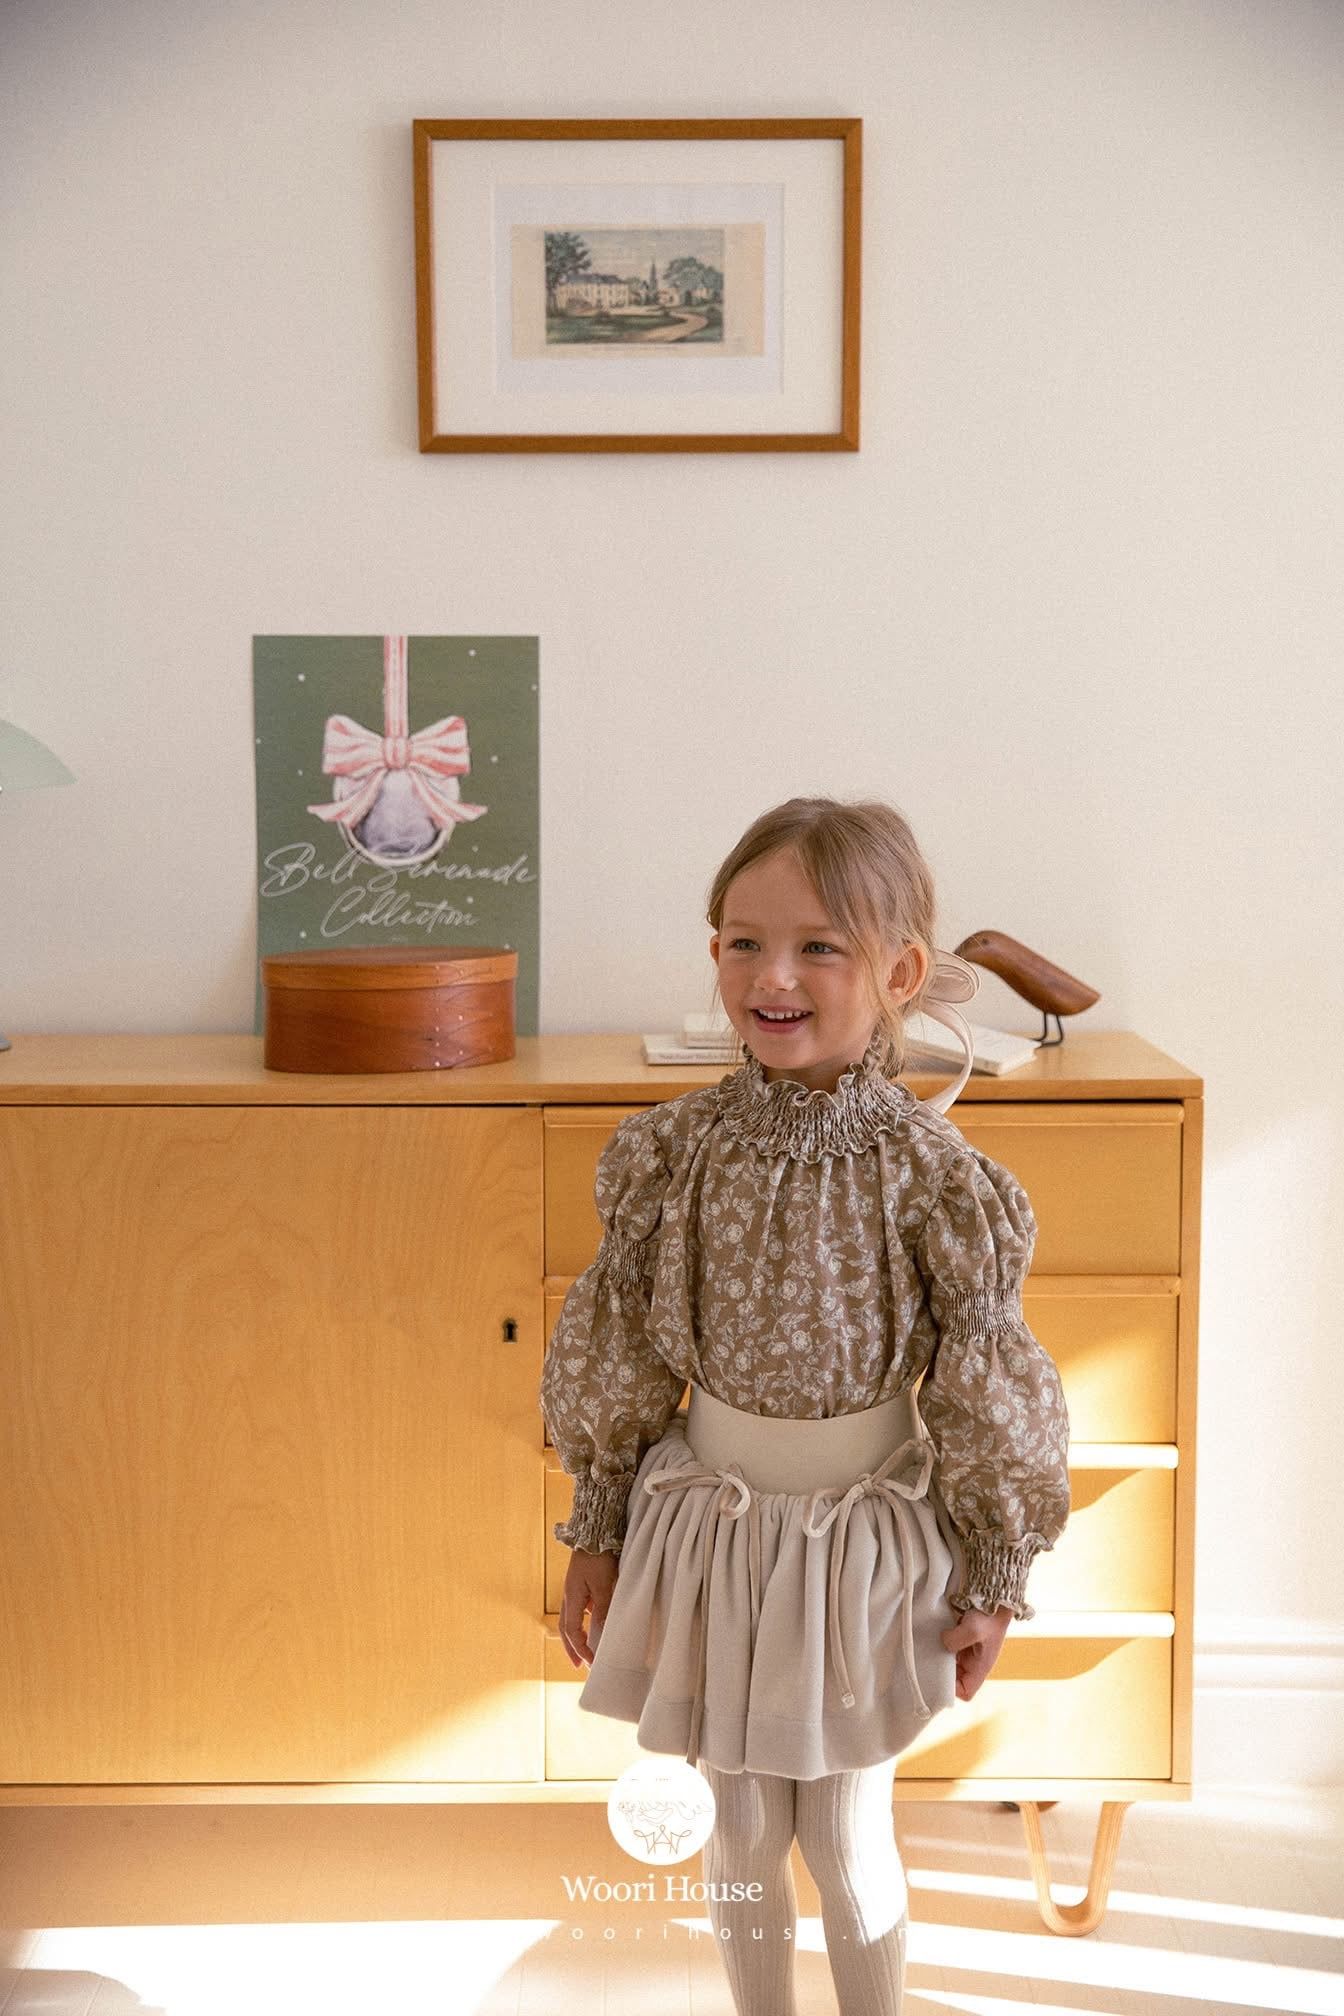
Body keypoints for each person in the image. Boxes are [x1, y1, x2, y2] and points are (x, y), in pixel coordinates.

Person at [539, 795, 1071, 2015]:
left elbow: (988, 1387)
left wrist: (995, 1570)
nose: (772, 976)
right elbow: (620, 1352)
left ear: (900, 972)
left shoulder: (936, 1179)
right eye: (745, 942)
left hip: (858, 1554)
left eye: (818, 947)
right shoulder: (672, 1152)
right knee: (737, 1831)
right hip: (711, 1539)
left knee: (838, 1831)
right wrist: (600, 1525)